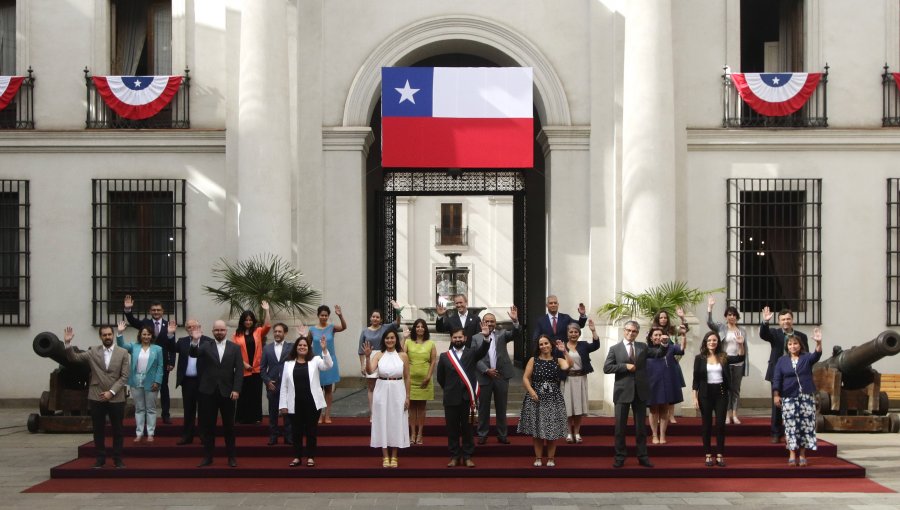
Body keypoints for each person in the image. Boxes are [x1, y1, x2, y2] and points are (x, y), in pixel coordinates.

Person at [63, 325, 130, 468]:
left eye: (109, 335)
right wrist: (68, 344)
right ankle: (100, 458)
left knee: (118, 429)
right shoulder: (93, 351)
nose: (107, 337)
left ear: (113, 335)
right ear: (100, 337)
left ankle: (117, 458)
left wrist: (111, 392)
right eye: (104, 335)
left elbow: (124, 376)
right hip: (96, 396)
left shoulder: (123, 352)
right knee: (98, 429)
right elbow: (73, 358)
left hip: (116, 397)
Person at [603, 320, 663, 468]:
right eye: (628, 330)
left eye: (634, 331)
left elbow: (659, 353)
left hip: (640, 392)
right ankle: (620, 457)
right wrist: (625, 366)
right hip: (622, 392)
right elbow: (607, 367)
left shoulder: (642, 346)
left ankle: (643, 456)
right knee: (620, 428)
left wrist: (665, 344)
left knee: (640, 428)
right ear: (624, 331)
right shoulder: (615, 348)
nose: (631, 333)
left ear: (637, 333)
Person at [436, 327, 492, 467]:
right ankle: (454, 456)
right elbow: (440, 378)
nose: (457, 340)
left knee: (468, 429)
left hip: (468, 399)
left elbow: (483, 351)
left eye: (460, 337)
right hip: (451, 399)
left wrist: (486, 338)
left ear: (465, 338)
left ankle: (467, 456)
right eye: (455, 337)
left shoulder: (471, 353)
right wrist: (450, 389)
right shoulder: (444, 356)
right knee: (452, 429)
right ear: (451, 339)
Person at [279, 332, 333, 467]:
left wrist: (324, 349)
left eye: (305, 345)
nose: (302, 347)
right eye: (300, 345)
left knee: (311, 431)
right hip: (294, 403)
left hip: (312, 403)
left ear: (308, 348)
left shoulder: (315, 360)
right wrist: (283, 404)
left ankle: (310, 457)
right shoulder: (288, 364)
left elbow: (328, 365)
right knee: (296, 431)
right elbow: (284, 386)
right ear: (296, 347)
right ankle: (297, 457)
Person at [692, 330, 745, 467]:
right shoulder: (699, 358)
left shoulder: (723, 356)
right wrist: (695, 397)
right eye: (709, 340)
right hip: (705, 394)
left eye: (714, 340)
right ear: (705, 342)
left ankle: (720, 454)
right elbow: (696, 380)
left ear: (718, 342)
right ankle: (708, 454)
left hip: (721, 393)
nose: (712, 342)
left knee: (720, 425)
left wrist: (741, 345)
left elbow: (740, 358)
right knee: (707, 425)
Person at [518, 335, 571, 467]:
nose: (544, 346)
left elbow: (569, 365)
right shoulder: (533, 360)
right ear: (538, 347)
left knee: (551, 430)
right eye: (541, 344)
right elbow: (525, 378)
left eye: (546, 343)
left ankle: (551, 459)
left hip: (553, 398)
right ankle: (538, 458)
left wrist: (564, 351)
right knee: (537, 430)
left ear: (551, 345)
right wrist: (531, 391)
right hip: (536, 398)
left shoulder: (558, 360)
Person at [197, 320, 244, 468]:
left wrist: (236, 389)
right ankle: (208, 457)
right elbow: (193, 353)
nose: (219, 332)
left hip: (228, 393)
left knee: (229, 427)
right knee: (208, 427)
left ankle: (231, 458)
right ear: (212, 331)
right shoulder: (205, 346)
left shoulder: (235, 348)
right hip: (208, 392)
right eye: (216, 330)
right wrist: (194, 340)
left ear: (226, 331)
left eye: (222, 330)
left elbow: (239, 371)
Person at [760, 306, 810, 443]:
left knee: (794, 405)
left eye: (788, 319)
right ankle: (776, 433)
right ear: (779, 322)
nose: (786, 322)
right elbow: (764, 335)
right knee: (777, 404)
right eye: (783, 319)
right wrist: (765, 322)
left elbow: (806, 357)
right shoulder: (775, 334)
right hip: (777, 374)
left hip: (795, 376)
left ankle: (792, 432)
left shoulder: (802, 336)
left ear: (792, 320)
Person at [773, 328, 822, 467]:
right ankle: (792, 454)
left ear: (800, 345)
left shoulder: (806, 358)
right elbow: (777, 378)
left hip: (805, 396)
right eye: (790, 344)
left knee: (805, 426)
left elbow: (817, 355)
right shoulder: (782, 361)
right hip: (788, 396)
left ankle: (802, 454)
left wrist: (819, 342)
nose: (792, 346)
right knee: (791, 426)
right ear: (787, 347)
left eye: (795, 344)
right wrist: (776, 395)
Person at [124, 295, 175, 424]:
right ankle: (145, 414)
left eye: (158, 310)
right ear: (150, 311)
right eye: (153, 310)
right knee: (144, 388)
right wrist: (128, 310)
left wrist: (171, 361)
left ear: (163, 311)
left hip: (162, 362)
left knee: (163, 387)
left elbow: (172, 345)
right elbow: (133, 321)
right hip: (146, 362)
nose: (156, 312)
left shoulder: (168, 325)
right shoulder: (145, 323)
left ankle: (166, 414)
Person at [363, 328, 410, 468]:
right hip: (381, 388)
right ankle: (385, 455)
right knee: (382, 419)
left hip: (398, 389)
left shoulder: (403, 355)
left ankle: (394, 455)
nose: (389, 340)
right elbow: (370, 371)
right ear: (383, 340)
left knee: (396, 420)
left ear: (396, 339)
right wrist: (367, 357)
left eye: (392, 338)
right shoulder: (378, 355)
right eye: (387, 338)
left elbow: (407, 377)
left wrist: (408, 396)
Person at [473, 307, 520, 445]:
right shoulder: (476, 338)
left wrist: (515, 321)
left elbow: (515, 334)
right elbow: (474, 358)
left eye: (492, 321)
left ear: (495, 323)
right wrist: (486, 370)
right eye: (487, 321)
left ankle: (502, 435)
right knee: (483, 408)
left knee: (501, 407)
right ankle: (482, 435)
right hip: (484, 376)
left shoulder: (502, 334)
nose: (489, 323)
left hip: (501, 376)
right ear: (482, 323)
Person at [115, 321, 164, 443]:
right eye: (144, 334)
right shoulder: (134, 347)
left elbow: (160, 367)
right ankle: (139, 433)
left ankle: (151, 433)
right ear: (140, 335)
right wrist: (120, 332)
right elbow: (121, 346)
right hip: (136, 380)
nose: (146, 337)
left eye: (148, 334)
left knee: (151, 409)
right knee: (139, 408)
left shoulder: (157, 349)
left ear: (152, 336)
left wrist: (157, 381)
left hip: (151, 382)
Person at [706, 297, 749, 425]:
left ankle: (734, 415)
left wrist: (741, 344)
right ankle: (726, 414)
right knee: (725, 388)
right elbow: (710, 323)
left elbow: (743, 349)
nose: (732, 317)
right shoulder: (721, 328)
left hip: (738, 362)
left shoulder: (742, 331)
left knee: (735, 389)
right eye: (729, 315)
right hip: (724, 361)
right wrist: (710, 308)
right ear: (726, 317)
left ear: (737, 317)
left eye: (734, 315)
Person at [357, 303, 402, 418]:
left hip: (383, 356)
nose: (375, 319)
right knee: (371, 388)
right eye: (373, 316)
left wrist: (398, 311)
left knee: (382, 386)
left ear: (381, 319)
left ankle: (384, 411)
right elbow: (361, 350)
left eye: (377, 317)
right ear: (370, 318)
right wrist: (362, 365)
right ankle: (373, 413)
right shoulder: (365, 331)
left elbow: (397, 323)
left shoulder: (385, 328)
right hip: (369, 357)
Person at [174, 319, 213, 445]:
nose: (192, 329)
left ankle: (203, 435)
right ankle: (187, 436)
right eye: (189, 327)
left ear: (200, 327)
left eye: (194, 326)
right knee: (188, 410)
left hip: (203, 381)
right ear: (186, 329)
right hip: (187, 381)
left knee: (203, 410)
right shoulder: (182, 341)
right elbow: (170, 348)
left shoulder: (208, 341)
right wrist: (170, 335)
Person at [560, 320, 599, 444]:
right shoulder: (562, 346)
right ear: (567, 334)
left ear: (579, 333)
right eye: (571, 332)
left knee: (578, 408)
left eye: (576, 332)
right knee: (568, 407)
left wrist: (593, 331)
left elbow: (596, 345)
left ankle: (577, 432)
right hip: (567, 380)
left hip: (581, 379)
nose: (573, 334)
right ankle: (568, 433)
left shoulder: (583, 345)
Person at [646, 326, 686, 444]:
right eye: (656, 335)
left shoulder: (671, 347)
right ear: (651, 338)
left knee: (664, 409)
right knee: (653, 410)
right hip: (652, 383)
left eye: (660, 335)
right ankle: (654, 435)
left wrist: (683, 335)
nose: (658, 337)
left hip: (667, 382)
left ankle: (662, 435)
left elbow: (682, 349)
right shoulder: (646, 349)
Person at [233, 301, 271, 424]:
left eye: (250, 320)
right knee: (243, 394)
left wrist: (266, 310)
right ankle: (241, 418)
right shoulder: (236, 335)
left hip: (256, 368)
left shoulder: (258, 331)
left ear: (253, 321)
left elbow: (268, 326)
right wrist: (244, 364)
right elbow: (235, 352)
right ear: (242, 321)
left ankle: (256, 417)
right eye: (246, 320)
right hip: (243, 368)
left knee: (255, 394)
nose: (248, 322)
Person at [309, 304, 346, 424]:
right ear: (318, 316)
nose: (324, 317)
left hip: (330, 361)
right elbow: (306, 344)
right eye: (322, 315)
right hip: (316, 362)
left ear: (328, 316)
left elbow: (344, 327)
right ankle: (319, 415)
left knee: (329, 389)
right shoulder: (312, 330)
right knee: (318, 389)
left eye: (326, 315)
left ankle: (327, 414)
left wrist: (340, 315)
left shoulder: (331, 327)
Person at [651, 308, 689, 423]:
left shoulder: (672, 330)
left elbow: (685, 330)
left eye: (665, 317)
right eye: (661, 317)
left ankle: (671, 415)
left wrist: (682, 317)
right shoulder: (652, 331)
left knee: (671, 389)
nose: (663, 319)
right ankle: (658, 416)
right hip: (657, 362)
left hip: (672, 362)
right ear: (657, 319)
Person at [405, 318, 436, 445]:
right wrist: (404, 337)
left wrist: (429, 376)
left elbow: (433, 360)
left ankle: (420, 434)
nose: (420, 328)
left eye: (422, 326)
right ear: (414, 328)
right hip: (410, 379)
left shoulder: (430, 343)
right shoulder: (408, 342)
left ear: (425, 329)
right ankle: (412, 433)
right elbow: (401, 354)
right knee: (412, 408)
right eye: (417, 326)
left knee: (422, 408)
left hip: (425, 379)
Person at [261, 322, 293, 445]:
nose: (277, 334)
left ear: (285, 333)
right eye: (275, 331)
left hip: (287, 385)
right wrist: (267, 381)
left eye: (280, 331)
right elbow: (262, 368)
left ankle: (288, 436)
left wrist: (304, 336)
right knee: (273, 413)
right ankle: (273, 436)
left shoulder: (291, 347)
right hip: (272, 385)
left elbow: (303, 351)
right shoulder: (267, 348)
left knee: (287, 413)